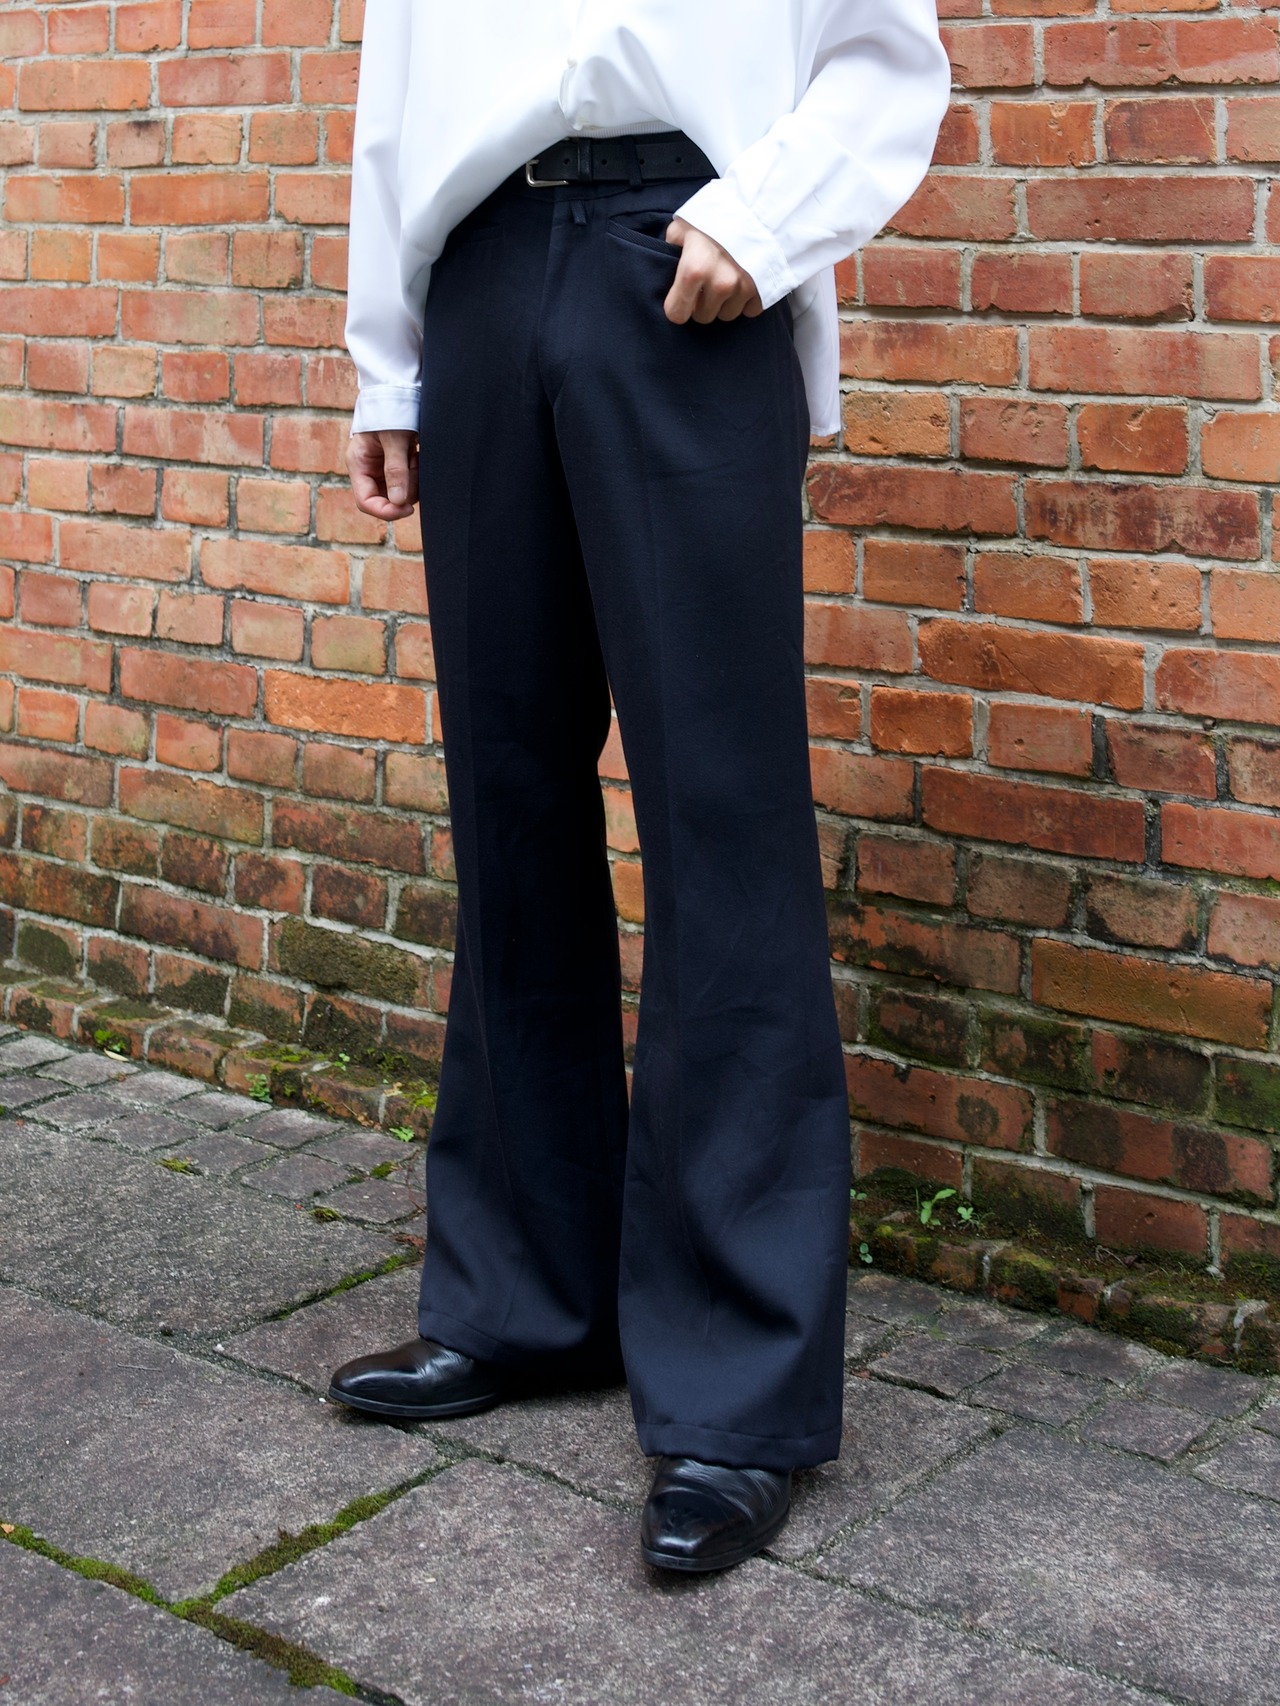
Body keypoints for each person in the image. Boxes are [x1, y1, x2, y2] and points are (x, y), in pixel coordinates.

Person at [328, 0, 951, 1573]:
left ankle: (738, 1391)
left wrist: (767, 216)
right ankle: (522, 1297)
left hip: (687, 260)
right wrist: (386, 362)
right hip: (481, 270)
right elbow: (401, 70)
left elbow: (884, 54)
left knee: (719, 818)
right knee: (510, 806)